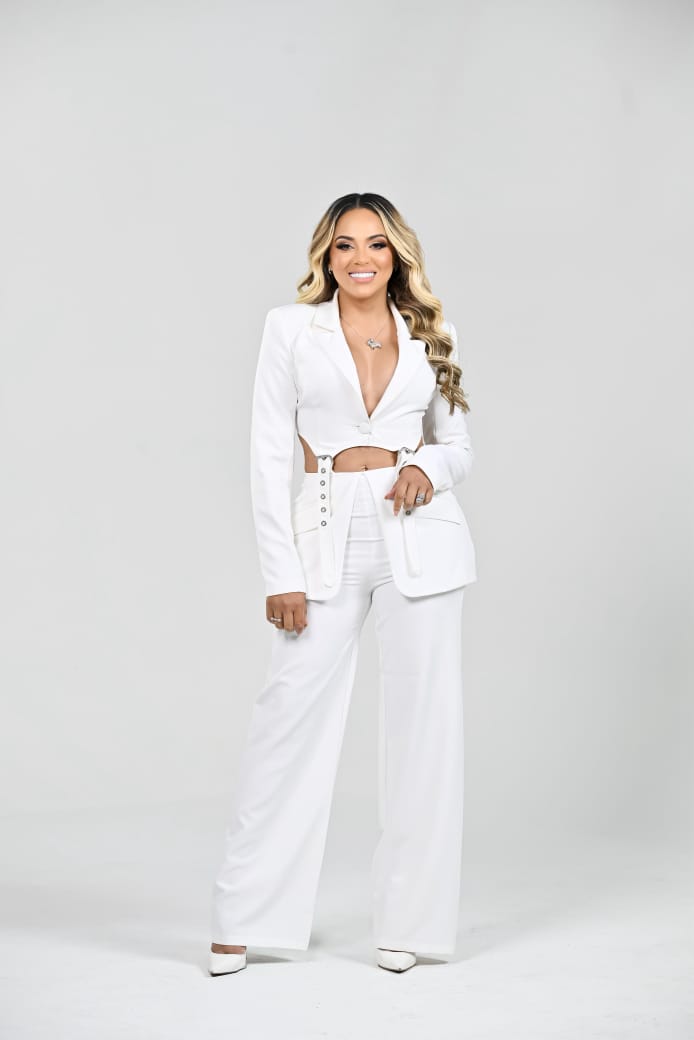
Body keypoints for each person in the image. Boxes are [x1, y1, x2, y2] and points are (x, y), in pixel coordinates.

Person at [208, 192, 477, 976]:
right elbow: (267, 455)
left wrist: (428, 468)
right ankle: (243, 916)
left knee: (425, 730)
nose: (362, 259)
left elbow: (458, 444)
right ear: (327, 256)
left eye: (377, 245)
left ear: (398, 256)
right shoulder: (290, 329)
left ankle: (408, 923)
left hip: (419, 534)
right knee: (287, 720)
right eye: (347, 245)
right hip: (323, 530)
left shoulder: (431, 331)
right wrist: (280, 572)